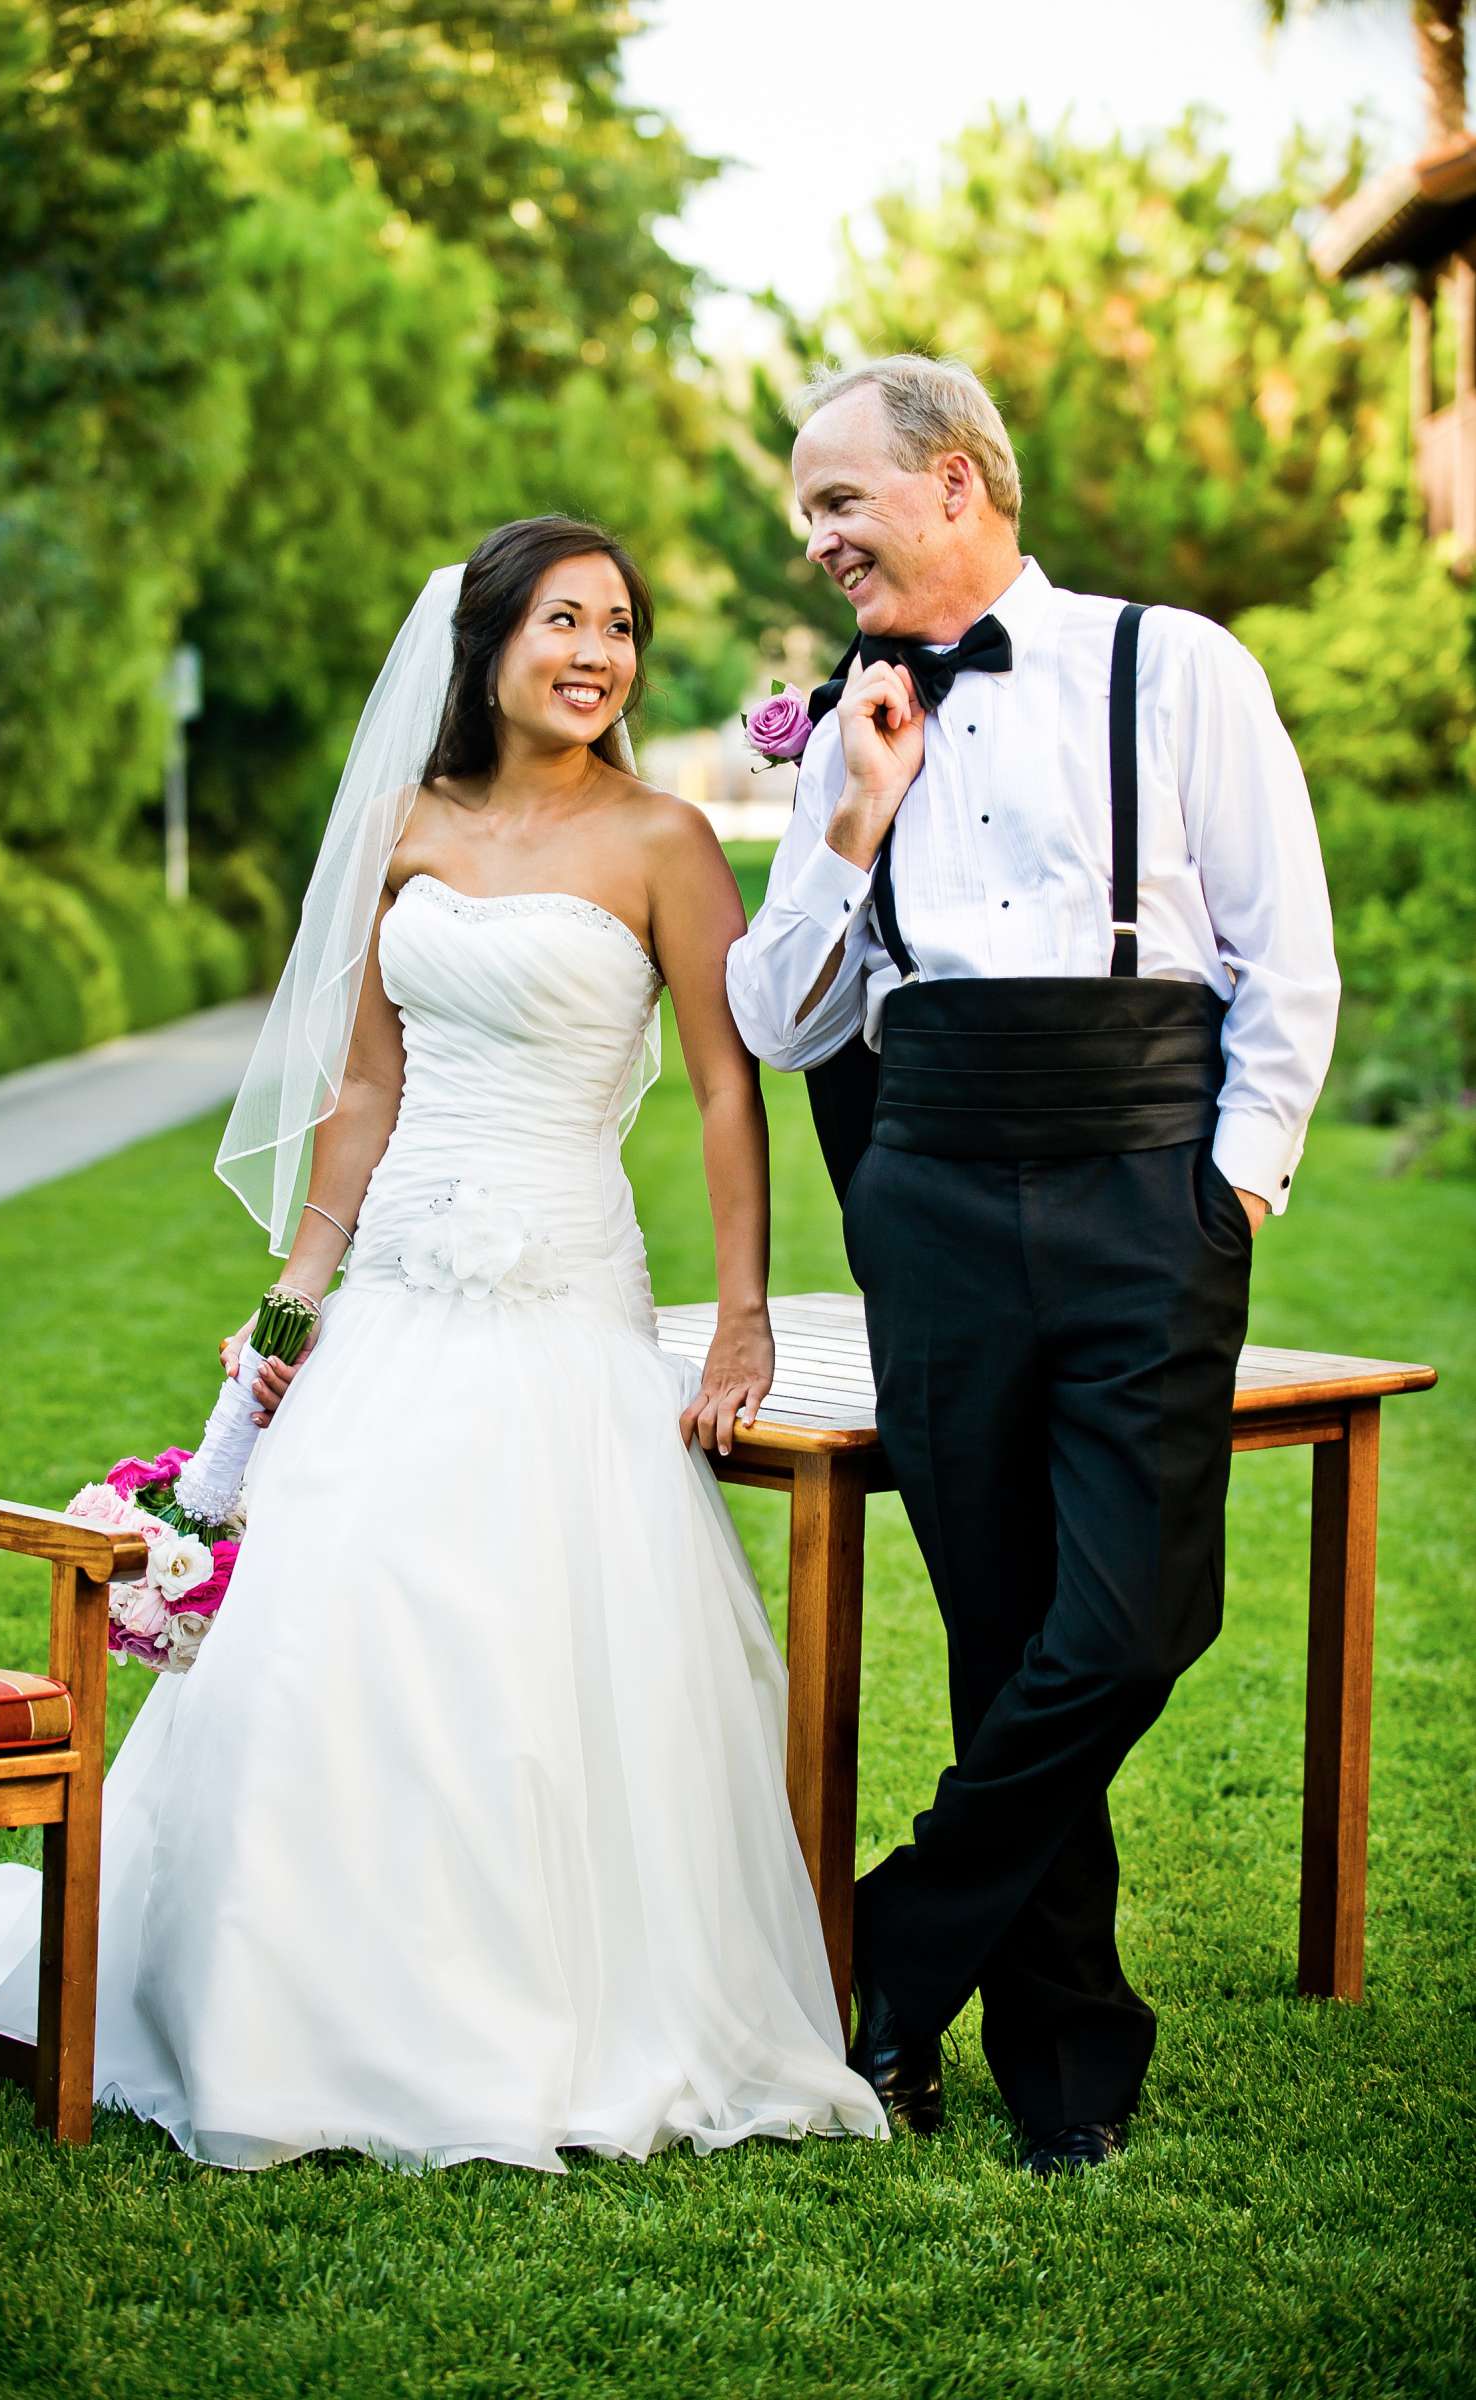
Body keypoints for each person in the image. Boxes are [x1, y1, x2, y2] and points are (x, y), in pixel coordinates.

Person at [0, 516, 884, 2172]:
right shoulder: (406, 829)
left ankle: (554, 2020)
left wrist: (746, 1318)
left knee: (549, 1647)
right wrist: (283, 1320)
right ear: (487, 644)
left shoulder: (665, 837)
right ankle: (288, 2008)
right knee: (336, 1631)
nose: (597, 654)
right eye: (565, 620)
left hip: (564, 1289)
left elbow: (726, 1087)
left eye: (620, 628)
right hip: (399, 1291)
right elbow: (360, 1106)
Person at [726, 356, 1340, 2176]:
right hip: (931, 1191)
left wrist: (1227, 1189)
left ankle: (897, 1934)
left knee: (1144, 1610)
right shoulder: (847, 723)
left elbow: (1286, 955)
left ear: (959, 480)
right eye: (806, 513)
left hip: (1148, 1180)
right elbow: (778, 1015)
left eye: (839, 500)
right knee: (1003, 1629)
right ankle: (1061, 2059)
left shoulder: (1178, 666)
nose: (819, 539)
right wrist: (849, 819)